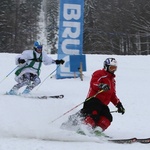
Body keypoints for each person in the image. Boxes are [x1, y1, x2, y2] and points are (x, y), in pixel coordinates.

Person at [61, 58, 125, 136]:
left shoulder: (112, 81)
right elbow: (94, 84)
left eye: (115, 68)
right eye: (111, 68)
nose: (113, 70)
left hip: (103, 104)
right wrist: (101, 85)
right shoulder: (99, 73)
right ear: (106, 66)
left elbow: (112, 95)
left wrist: (119, 105)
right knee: (94, 113)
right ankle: (84, 128)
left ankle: (97, 131)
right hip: (93, 100)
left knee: (108, 117)